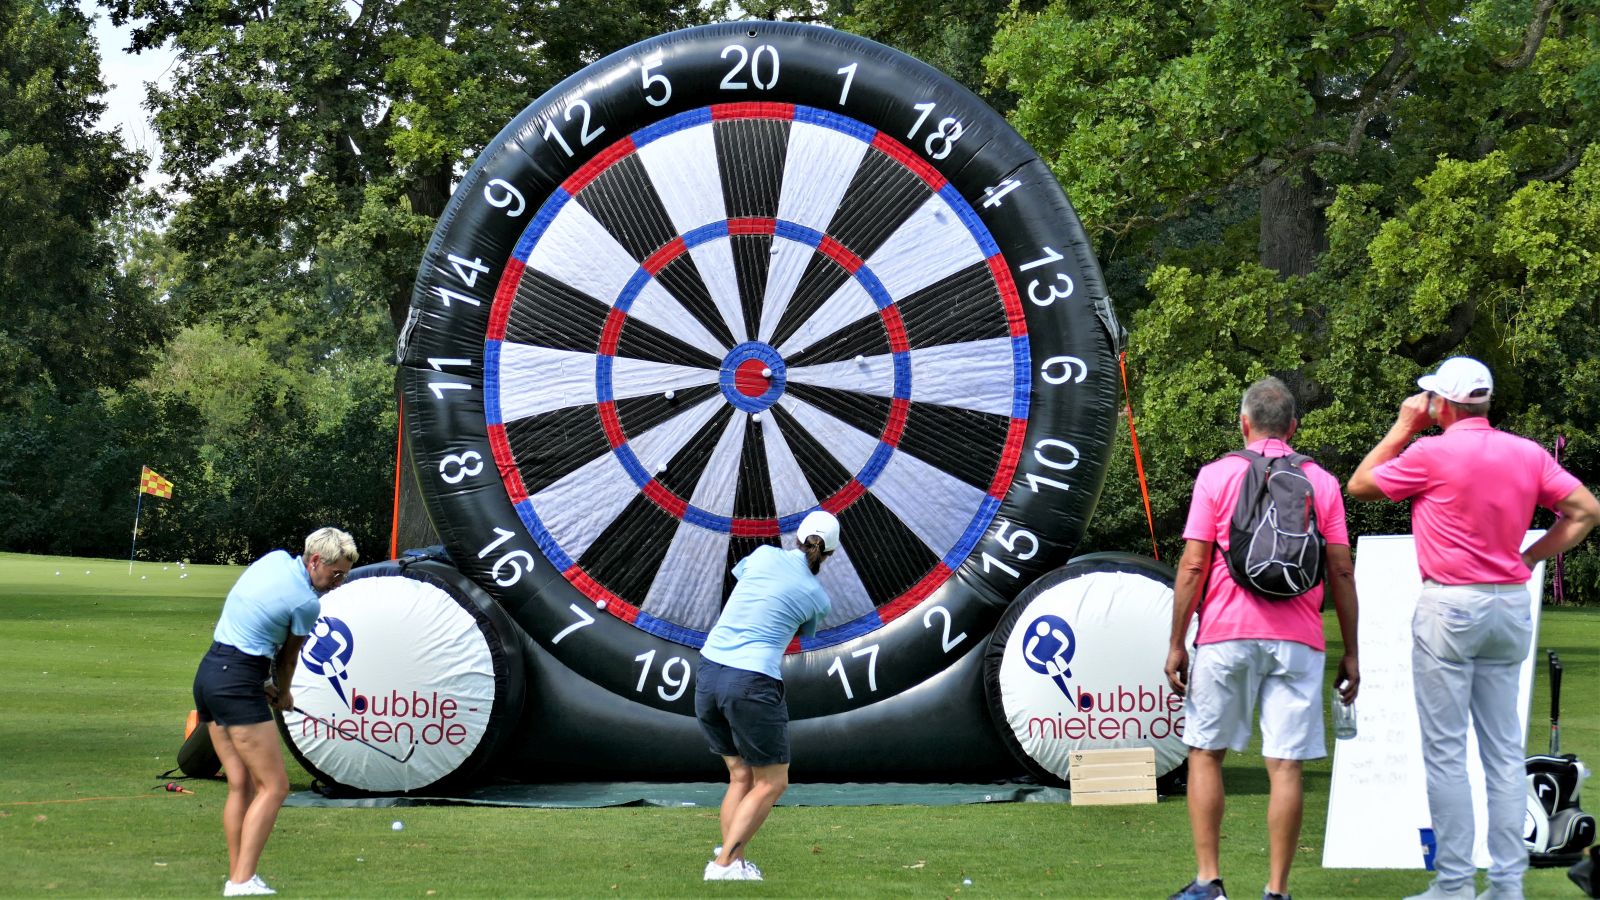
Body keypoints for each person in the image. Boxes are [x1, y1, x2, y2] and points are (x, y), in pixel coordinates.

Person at [1348, 356, 1598, 900]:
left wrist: (1404, 425)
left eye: (1433, 398)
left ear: (1448, 404)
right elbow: (1584, 511)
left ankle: (1456, 884)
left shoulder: (1430, 451)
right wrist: (1531, 558)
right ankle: (1507, 883)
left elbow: (1361, 484)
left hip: (1451, 605)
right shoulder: (1526, 452)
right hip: (1509, 604)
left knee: (1445, 752)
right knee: (1504, 753)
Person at [1164, 377, 1360, 900]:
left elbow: (1193, 565)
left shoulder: (1216, 475)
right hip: (1299, 637)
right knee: (1286, 764)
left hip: (1226, 633)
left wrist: (1178, 641)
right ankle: (1276, 891)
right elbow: (1340, 571)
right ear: (1293, 427)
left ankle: (1209, 883)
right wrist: (1353, 651)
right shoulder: (1323, 482)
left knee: (1206, 753)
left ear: (1244, 423)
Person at [191, 527, 358, 897]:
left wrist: (259, 683)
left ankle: (239, 876)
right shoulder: (307, 603)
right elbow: (289, 657)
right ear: (315, 561)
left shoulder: (274, 560)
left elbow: (253, 625)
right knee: (275, 786)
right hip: (235, 682)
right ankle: (241, 881)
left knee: (242, 783)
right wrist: (283, 694)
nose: (338, 582)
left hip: (211, 673)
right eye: (336, 574)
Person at [695, 510, 838, 882]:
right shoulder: (817, 598)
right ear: (830, 554)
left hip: (709, 671)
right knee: (773, 782)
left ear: (798, 538)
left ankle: (732, 860)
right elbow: (804, 632)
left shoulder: (761, 555)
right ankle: (724, 865)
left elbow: (742, 579)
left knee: (740, 775)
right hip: (752, 681)